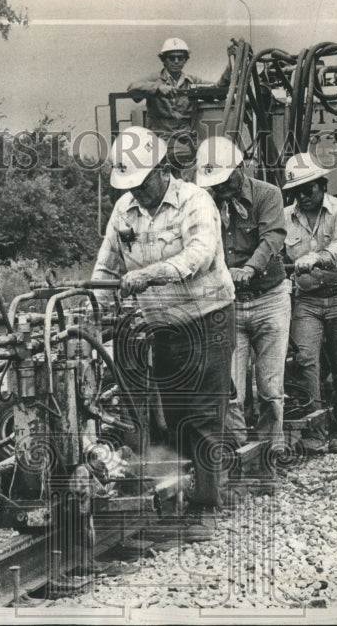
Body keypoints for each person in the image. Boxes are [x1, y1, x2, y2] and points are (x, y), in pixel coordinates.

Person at [92, 126, 236, 528]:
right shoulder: (124, 210)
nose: (135, 192)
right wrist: (91, 317)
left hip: (208, 318)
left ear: (160, 169)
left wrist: (150, 275)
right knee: (170, 415)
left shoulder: (195, 201)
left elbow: (200, 256)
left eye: (140, 183)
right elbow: (106, 267)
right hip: (161, 325)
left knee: (203, 414)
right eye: (129, 186)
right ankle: (173, 497)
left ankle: (206, 507)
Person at [195, 136, 289, 453]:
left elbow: (273, 236)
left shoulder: (268, 195)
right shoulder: (205, 204)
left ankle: (270, 450)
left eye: (223, 181)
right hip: (228, 303)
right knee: (230, 386)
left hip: (269, 299)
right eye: (214, 184)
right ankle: (239, 452)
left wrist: (249, 268)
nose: (219, 189)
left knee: (270, 386)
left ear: (239, 169)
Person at [281, 153, 337, 454]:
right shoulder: (285, 216)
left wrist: (318, 257)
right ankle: (313, 429)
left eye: (308, 190)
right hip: (308, 300)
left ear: (322, 185)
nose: (303, 197)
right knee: (305, 362)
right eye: (296, 192)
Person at [127, 38, 233, 175]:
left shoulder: (192, 82)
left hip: (186, 140)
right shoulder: (155, 79)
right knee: (187, 164)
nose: (176, 61)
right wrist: (158, 88)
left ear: (185, 60)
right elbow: (132, 88)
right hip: (160, 140)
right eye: (172, 58)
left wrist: (230, 66)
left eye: (181, 58)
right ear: (164, 60)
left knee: (213, 160)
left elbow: (217, 90)